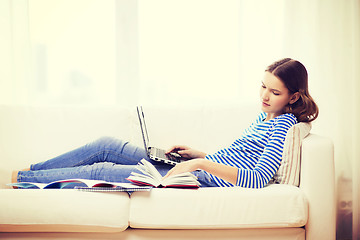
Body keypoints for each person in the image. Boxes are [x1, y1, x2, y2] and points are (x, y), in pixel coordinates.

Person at [12, 58, 319, 189]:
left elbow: (256, 179)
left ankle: (21, 182)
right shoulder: (266, 116)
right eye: (263, 86)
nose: (264, 96)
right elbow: (242, 156)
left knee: (101, 172)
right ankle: (32, 172)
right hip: (199, 166)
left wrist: (199, 165)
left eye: (274, 92)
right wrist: (196, 154)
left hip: (201, 179)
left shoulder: (283, 126)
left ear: (293, 97)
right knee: (105, 145)